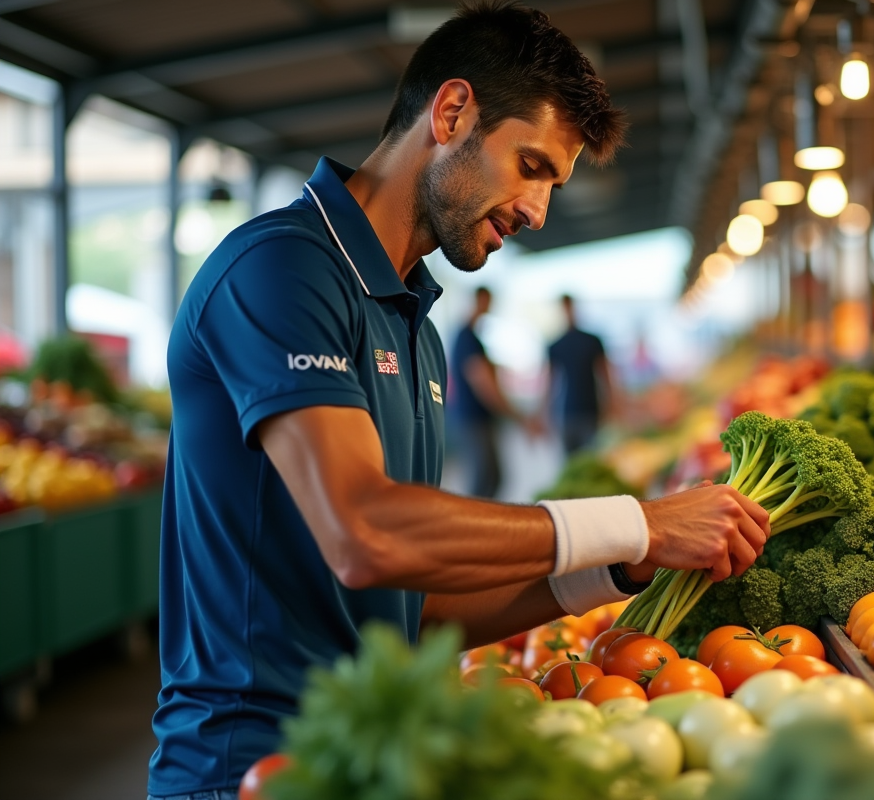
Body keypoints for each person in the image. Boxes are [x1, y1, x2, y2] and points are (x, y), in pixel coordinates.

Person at [147, 3, 771, 799]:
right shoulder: (280, 271)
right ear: (451, 114)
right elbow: (365, 531)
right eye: (532, 166)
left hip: (374, 753)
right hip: (246, 769)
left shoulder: (416, 326)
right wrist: (635, 518)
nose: (537, 211)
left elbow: (418, 604)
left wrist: (620, 565)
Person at [449, 285, 531, 497]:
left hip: (477, 418)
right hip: (474, 418)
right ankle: (473, 527)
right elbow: (483, 383)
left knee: (491, 477)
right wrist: (513, 414)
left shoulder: (470, 337)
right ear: (479, 301)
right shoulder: (467, 337)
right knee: (485, 478)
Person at [545, 294, 613, 454]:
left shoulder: (592, 341)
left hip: (590, 409)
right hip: (565, 413)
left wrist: (611, 404)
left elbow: (605, 374)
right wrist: (545, 413)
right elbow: (550, 381)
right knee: (570, 461)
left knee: (591, 457)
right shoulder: (555, 345)